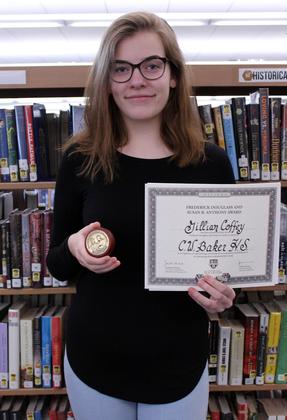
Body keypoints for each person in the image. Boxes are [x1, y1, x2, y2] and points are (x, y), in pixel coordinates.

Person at [46, 11, 236, 420]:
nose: (137, 79)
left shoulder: (213, 165)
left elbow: (224, 267)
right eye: (121, 68)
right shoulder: (80, 161)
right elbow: (56, 264)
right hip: (95, 360)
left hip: (177, 362)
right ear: (107, 81)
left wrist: (222, 296)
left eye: (151, 65)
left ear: (173, 75)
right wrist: (75, 250)